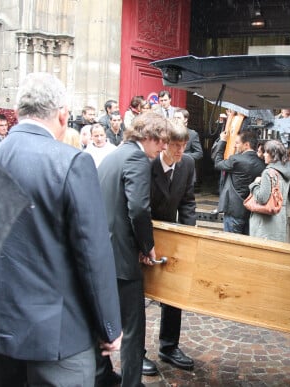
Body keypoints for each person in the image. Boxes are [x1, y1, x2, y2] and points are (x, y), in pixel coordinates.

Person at [0, 72, 123, 386]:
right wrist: (109, 327)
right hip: (60, 335)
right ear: (62, 114)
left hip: (2, 326)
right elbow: (92, 253)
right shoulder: (71, 162)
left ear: (18, 113)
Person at [98, 112, 170, 387]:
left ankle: (101, 377)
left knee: (102, 322)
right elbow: (138, 209)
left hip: (101, 253)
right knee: (132, 328)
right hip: (121, 258)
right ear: (148, 136)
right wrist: (147, 246)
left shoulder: (113, 156)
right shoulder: (136, 158)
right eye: (161, 141)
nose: (163, 147)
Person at [146, 119, 196, 375]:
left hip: (174, 234)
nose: (179, 151)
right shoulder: (148, 163)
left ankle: (169, 346)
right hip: (147, 234)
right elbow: (138, 206)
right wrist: (145, 242)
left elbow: (187, 201)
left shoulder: (187, 163)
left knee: (174, 292)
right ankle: (137, 352)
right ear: (164, 144)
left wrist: (188, 235)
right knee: (140, 295)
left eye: (183, 145)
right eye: (175, 145)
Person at [214, 130, 266, 235]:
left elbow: (218, 163)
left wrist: (222, 142)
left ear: (246, 145)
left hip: (233, 210)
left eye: (237, 143)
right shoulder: (262, 164)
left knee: (231, 244)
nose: (235, 146)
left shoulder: (236, 160)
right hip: (251, 211)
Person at [248, 140, 290, 242]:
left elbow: (262, 198)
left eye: (266, 152)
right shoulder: (286, 172)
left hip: (265, 223)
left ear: (273, 155)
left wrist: (254, 184)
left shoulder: (268, 172)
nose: (264, 154)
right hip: (280, 219)